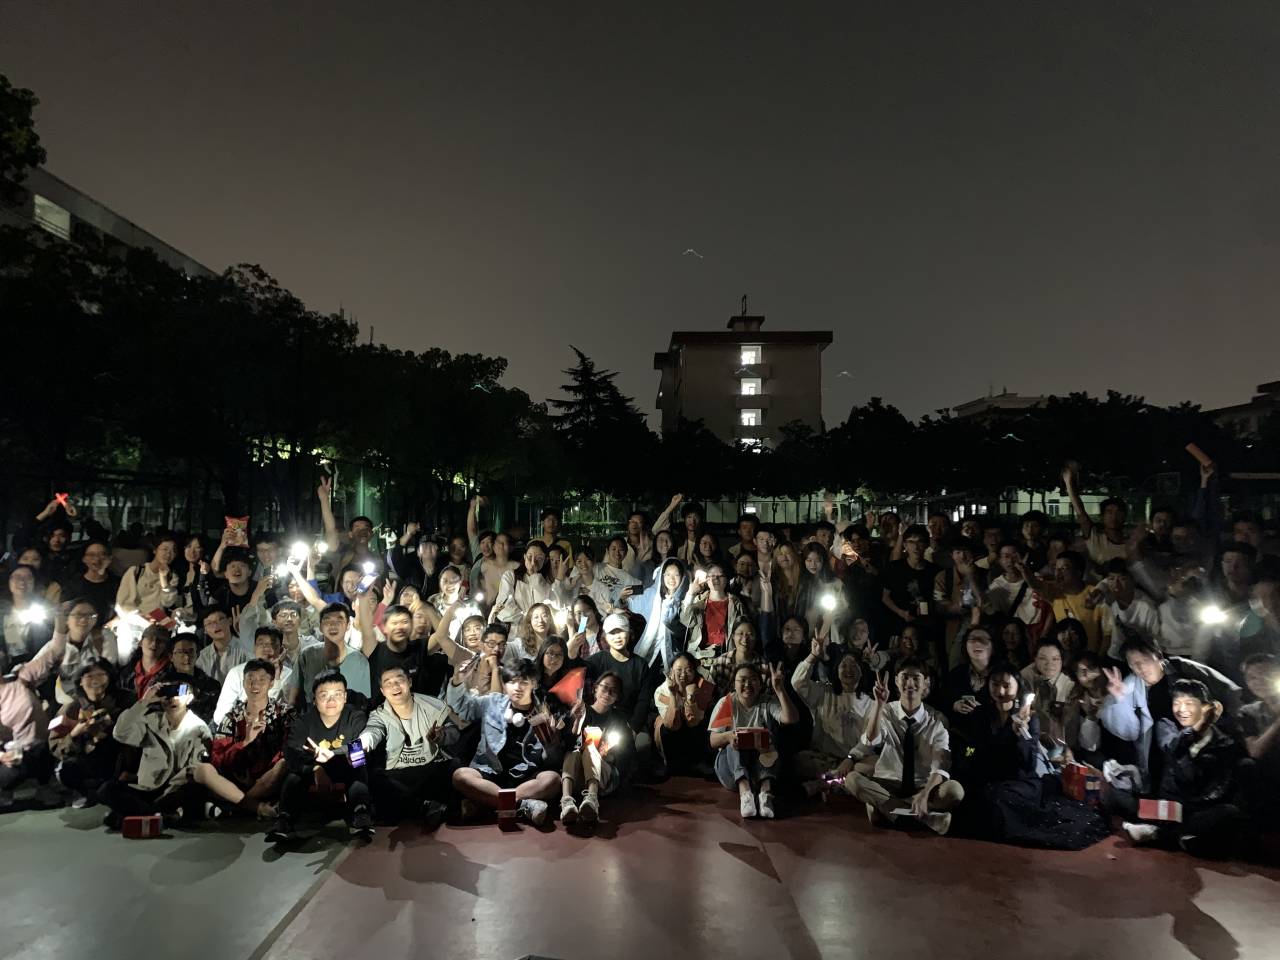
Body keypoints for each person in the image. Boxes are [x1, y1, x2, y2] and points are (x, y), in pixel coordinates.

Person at [1100, 636, 1240, 796]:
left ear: (1158, 655)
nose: (1140, 668)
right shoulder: (1132, 685)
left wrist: (1225, 722)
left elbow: (1229, 691)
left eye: (1144, 660)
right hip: (1161, 758)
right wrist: (1120, 698)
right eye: (1133, 664)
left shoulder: (1182, 668)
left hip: (1198, 751)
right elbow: (1127, 731)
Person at [1122, 679, 1248, 858]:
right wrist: (1197, 729)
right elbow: (1175, 751)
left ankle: (1162, 835)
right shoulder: (1167, 727)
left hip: (1201, 807)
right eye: (1177, 703)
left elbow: (1218, 784)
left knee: (1230, 814)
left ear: (1206, 708)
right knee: (1130, 803)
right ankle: (1185, 838)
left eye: (1189, 703)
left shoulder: (1224, 741)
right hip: (1173, 805)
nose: (1181, 709)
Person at [842, 658, 964, 835]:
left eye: (916, 678)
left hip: (921, 785)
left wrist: (925, 793)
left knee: (954, 790)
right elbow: (870, 740)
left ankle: (888, 810)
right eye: (905, 677)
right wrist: (879, 705)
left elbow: (940, 766)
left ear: (926, 683)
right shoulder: (885, 710)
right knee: (852, 779)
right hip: (889, 784)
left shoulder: (937, 719)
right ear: (896, 681)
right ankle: (923, 818)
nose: (910, 683)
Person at [448, 657, 563, 827]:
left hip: (525, 777)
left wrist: (552, 744)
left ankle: (488, 804)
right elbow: (461, 707)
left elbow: (552, 762)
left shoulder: (543, 715)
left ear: (534, 684)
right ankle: (522, 805)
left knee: (552, 779)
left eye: (524, 682)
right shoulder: (491, 702)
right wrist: (458, 680)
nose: (517, 687)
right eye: (512, 682)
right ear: (504, 684)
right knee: (460, 776)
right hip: (489, 772)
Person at [269, 670, 372, 842]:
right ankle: (284, 819)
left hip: (345, 766)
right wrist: (315, 768)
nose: (331, 701)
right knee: (294, 776)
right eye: (324, 695)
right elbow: (292, 752)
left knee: (358, 766)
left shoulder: (355, 717)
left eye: (337, 694)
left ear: (345, 697)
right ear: (314, 699)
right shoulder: (304, 721)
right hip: (314, 770)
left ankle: (361, 813)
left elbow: (360, 749)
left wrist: (333, 755)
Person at [99, 680, 211, 829]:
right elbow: (120, 733)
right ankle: (155, 816)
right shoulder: (151, 721)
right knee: (107, 789)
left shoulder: (198, 728)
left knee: (194, 790)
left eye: (179, 693)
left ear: (190, 698)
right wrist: (144, 702)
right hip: (148, 788)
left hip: (175, 789)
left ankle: (134, 816)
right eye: (167, 694)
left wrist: (171, 791)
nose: (172, 699)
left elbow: (195, 768)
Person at [359, 666, 453, 829]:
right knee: (376, 778)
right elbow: (372, 731)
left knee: (454, 768)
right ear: (382, 691)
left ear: (409, 682)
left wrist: (442, 735)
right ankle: (426, 806)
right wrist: (362, 743)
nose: (395, 686)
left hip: (430, 767)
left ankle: (416, 807)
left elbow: (454, 732)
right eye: (388, 683)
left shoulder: (433, 706)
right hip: (399, 774)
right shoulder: (379, 714)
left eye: (399, 680)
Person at [198, 658, 292, 819]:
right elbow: (218, 760)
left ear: (271, 684)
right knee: (203, 771)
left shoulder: (284, 714)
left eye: (262, 680)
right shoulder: (232, 717)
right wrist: (245, 742)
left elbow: (289, 750)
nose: (255, 685)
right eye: (250, 679)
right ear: (243, 682)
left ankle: (237, 807)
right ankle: (252, 807)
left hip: (268, 780)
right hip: (235, 779)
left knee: (284, 765)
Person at [708, 661, 800, 819]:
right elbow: (713, 740)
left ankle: (765, 794)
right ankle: (745, 794)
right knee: (733, 744)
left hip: (760, 770)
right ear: (734, 683)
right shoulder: (727, 702)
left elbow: (791, 718)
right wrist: (729, 736)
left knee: (770, 744)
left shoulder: (767, 701)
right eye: (742, 680)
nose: (747, 684)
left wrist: (780, 690)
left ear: (760, 683)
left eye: (752, 679)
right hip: (731, 771)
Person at [792, 634, 874, 797]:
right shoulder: (823, 692)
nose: (849, 669)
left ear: (862, 671)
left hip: (854, 761)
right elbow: (798, 683)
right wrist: (813, 656)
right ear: (836, 670)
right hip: (825, 758)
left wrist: (850, 758)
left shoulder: (871, 702)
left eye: (854, 665)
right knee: (800, 761)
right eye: (844, 665)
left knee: (873, 766)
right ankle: (838, 782)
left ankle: (824, 783)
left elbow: (869, 740)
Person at [584, 613, 658, 773]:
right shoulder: (597, 660)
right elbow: (576, 671)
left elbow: (643, 701)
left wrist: (633, 727)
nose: (617, 636)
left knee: (642, 744)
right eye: (612, 633)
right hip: (600, 719)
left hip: (628, 721)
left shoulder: (640, 665)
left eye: (621, 631)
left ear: (629, 633)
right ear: (605, 636)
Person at [560, 671, 635, 826]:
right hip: (578, 774)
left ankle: (592, 798)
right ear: (595, 688)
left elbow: (628, 753)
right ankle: (566, 801)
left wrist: (610, 755)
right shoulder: (582, 712)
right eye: (604, 687)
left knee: (590, 749)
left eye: (613, 691)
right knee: (574, 752)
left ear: (617, 697)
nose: (607, 693)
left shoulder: (619, 719)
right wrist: (576, 722)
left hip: (604, 774)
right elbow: (567, 745)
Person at [48, 661, 128, 807]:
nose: (95, 680)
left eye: (100, 675)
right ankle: (87, 792)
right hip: (87, 759)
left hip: (119, 758)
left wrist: (112, 723)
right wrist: (75, 734)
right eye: (89, 676)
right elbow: (55, 746)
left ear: (109, 677)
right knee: (65, 769)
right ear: (80, 681)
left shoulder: (125, 700)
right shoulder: (70, 708)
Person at [214, 625, 300, 724]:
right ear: (254, 648)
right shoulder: (236, 673)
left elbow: (285, 713)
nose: (266, 648)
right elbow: (221, 715)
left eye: (272, 644)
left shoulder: (290, 676)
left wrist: (276, 678)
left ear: (281, 650)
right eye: (261, 643)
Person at [682, 564, 750, 681]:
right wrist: (691, 594)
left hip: (725, 656)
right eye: (711, 576)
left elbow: (743, 630)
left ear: (726, 579)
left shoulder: (735, 603)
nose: (715, 579)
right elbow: (685, 620)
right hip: (699, 657)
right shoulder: (698, 601)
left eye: (720, 576)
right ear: (706, 579)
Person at [652, 653, 715, 776]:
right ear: (671, 671)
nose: (683, 675)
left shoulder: (703, 687)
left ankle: (699, 762)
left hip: (693, 726)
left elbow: (693, 722)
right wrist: (673, 694)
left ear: (694, 671)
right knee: (664, 727)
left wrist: (691, 698)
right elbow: (672, 725)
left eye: (688, 670)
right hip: (674, 728)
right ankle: (670, 764)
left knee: (702, 724)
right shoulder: (661, 691)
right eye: (679, 670)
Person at [297, 603, 371, 704]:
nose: (333, 625)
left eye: (339, 621)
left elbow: (364, 702)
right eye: (327, 621)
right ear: (320, 626)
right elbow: (294, 696)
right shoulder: (307, 655)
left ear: (348, 625)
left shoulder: (360, 661)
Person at [627, 557, 689, 673]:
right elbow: (632, 605)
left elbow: (679, 628)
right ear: (662, 575)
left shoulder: (686, 599)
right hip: (650, 647)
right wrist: (621, 599)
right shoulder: (652, 594)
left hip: (674, 650)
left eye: (676, 575)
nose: (671, 579)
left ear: (682, 577)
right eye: (668, 574)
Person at [1062, 467, 1129, 575]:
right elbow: (1081, 514)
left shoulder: (1132, 544)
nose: (1114, 516)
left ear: (1125, 516)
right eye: (1109, 512)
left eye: (1118, 512)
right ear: (1102, 516)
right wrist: (1069, 485)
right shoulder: (1094, 537)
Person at [1239, 653, 1280, 817]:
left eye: (1265, 674)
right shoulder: (1248, 712)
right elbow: (1255, 751)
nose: (1259, 682)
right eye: (1252, 678)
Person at [492, 542, 555, 625]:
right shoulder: (511, 576)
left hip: (540, 629)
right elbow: (503, 607)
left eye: (539, 558)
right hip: (517, 629)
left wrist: (534, 575)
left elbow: (546, 606)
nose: (533, 562)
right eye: (529, 557)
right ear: (524, 556)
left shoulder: (548, 582)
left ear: (545, 560)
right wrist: (528, 619)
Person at [163, 632, 221, 723]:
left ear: (197, 654)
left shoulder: (211, 686)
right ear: (171, 656)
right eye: (181, 652)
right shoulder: (161, 685)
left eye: (191, 651)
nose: (186, 657)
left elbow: (216, 717)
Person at [60, 540, 120, 623]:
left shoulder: (118, 584)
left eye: (102, 554)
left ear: (109, 558)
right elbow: (64, 612)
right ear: (84, 559)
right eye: (92, 555)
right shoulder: (73, 584)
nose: (97, 559)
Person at [193, 606, 248, 684]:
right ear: (205, 630)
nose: (216, 625)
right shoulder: (203, 656)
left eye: (220, 620)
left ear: (230, 621)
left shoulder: (245, 648)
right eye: (209, 623)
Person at [120, 624, 172, 700]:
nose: (154, 643)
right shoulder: (127, 673)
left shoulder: (172, 673)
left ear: (165, 647)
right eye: (150, 638)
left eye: (161, 640)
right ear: (141, 642)